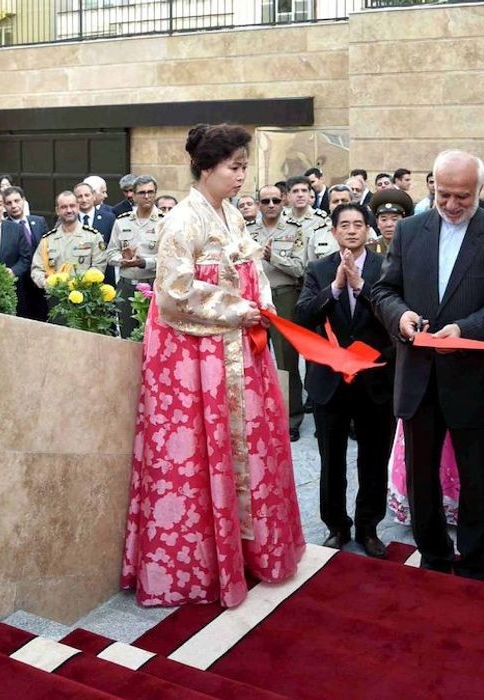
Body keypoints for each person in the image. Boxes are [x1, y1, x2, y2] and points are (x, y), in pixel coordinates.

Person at [121, 123, 305, 608]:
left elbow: (254, 269)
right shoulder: (182, 221)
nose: (242, 177)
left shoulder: (230, 216)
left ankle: (247, 551)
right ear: (206, 168)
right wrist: (235, 308)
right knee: (203, 451)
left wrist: (259, 304)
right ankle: (200, 563)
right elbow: (173, 292)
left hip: (238, 345)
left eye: (244, 166)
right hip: (197, 356)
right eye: (235, 167)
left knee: (247, 449)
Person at [372, 149, 484, 580]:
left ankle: (476, 562)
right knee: (422, 476)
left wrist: (465, 330)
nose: (453, 205)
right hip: (418, 374)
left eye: (463, 196)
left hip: (475, 376)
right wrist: (400, 317)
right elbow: (385, 291)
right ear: (431, 187)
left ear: (479, 190)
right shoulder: (408, 231)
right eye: (444, 196)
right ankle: (434, 556)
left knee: (479, 477)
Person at [296, 202, 394, 558]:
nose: (352, 231)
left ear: (368, 231)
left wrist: (361, 286)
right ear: (334, 231)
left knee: (373, 457)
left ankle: (369, 528)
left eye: (358, 225)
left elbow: (395, 317)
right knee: (331, 458)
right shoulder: (319, 270)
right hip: (330, 380)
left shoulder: (387, 268)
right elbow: (303, 316)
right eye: (345, 225)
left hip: (375, 380)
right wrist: (336, 288)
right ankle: (337, 526)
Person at [247, 183, 307, 440]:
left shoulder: (295, 230)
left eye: (275, 200)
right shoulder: (246, 231)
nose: (270, 205)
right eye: (265, 201)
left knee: (286, 361)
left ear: (284, 202)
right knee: (253, 358)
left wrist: (274, 258)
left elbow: (300, 268)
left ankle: (292, 418)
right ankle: (257, 414)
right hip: (254, 299)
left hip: (284, 296)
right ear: (258, 204)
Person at [31, 190, 109, 319]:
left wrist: (80, 285)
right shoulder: (48, 240)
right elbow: (36, 269)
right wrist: (45, 283)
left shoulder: (93, 237)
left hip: (85, 302)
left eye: (72, 206)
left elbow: (98, 267)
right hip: (56, 301)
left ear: (78, 207)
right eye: (64, 207)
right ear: (57, 210)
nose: (69, 210)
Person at [107, 179, 163, 338]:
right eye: (142, 193)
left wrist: (144, 262)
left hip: (152, 285)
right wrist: (123, 259)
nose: (147, 196)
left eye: (150, 192)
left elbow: (168, 258)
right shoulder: (122, 221)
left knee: (152, 335)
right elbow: (110, 254)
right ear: (133, 196)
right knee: (127, 334)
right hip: (127, 286)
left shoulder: (164, 221)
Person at [2, 186, 49, 321]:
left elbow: (48, 247)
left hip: (40, 286)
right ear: (4, 206)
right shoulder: (5, 228)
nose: (14, 206)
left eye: (17, 201)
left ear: (24, 201)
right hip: (19, 287)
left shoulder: (39, 221)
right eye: (9, 203)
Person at [368, 187, 411, 255]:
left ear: (404, 221)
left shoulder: (412, 246)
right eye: (384, 219)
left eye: (394, 219)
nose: (389, 224)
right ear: (377, 223)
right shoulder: (370, 249)